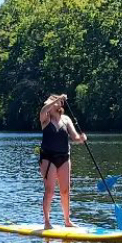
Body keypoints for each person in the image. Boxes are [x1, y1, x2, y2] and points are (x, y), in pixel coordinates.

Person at [38, 94, 86, 229]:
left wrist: (81, 139)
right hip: (48, 158)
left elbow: (75, 136)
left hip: (64, 157)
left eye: (53, 103)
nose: (50, 105)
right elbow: (43, 109)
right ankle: (47, 222)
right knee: (50, 191)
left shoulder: (66, 119)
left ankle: (67, 221)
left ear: (59, 106)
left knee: (65, 191)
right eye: (52, 103)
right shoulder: (45, 119)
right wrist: (59, 98)